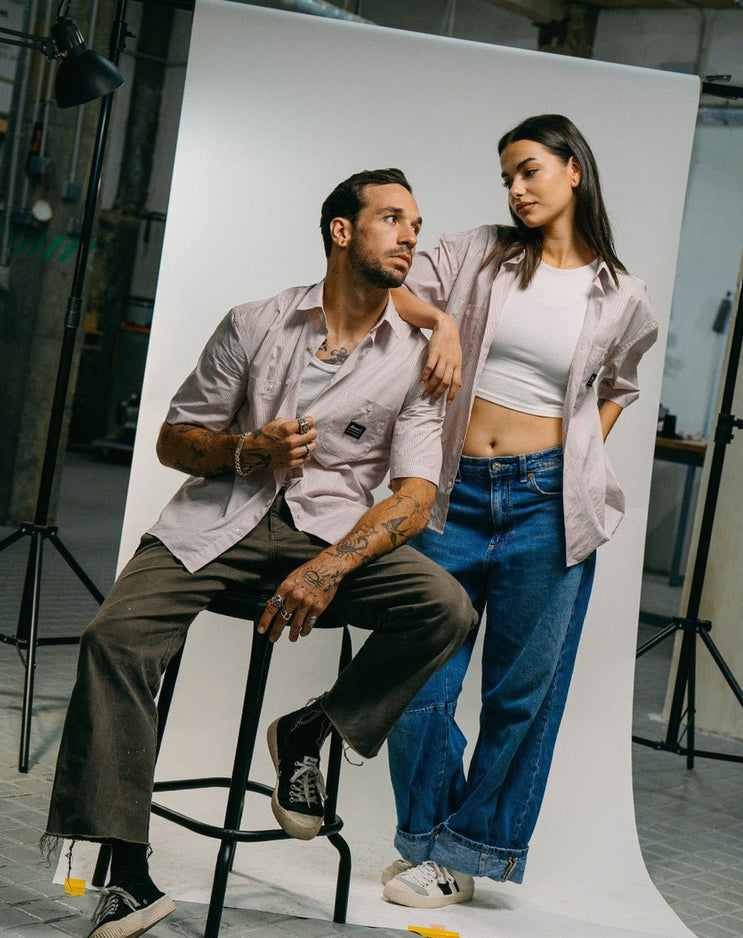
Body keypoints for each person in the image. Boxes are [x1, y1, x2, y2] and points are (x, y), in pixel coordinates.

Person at [43, 167, 478, 938]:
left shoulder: (417, 358)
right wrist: (248, 449)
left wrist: (330, 566)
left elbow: (414, 497)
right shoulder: (257, 323)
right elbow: (175, 439)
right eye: (391, 219)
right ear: (342, 231)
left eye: (415, 223)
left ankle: (311, 728)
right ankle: (128, 875)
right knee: (114, 639)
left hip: (327, 533)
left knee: (445, 606)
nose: (410, 236)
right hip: (218, 519)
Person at [381, 114, 659, 909]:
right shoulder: (478, 253)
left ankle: (463, 852)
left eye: (529, 169)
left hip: (546, 504)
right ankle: (431, 839)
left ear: (574, 170)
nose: (516, 188)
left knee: (519, 695)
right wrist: (441, 322)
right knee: (414, 678)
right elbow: (388, 283)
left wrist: (578, 457)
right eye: (507, 176)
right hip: (451, 492)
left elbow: (619, 385)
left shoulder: (622, 294)